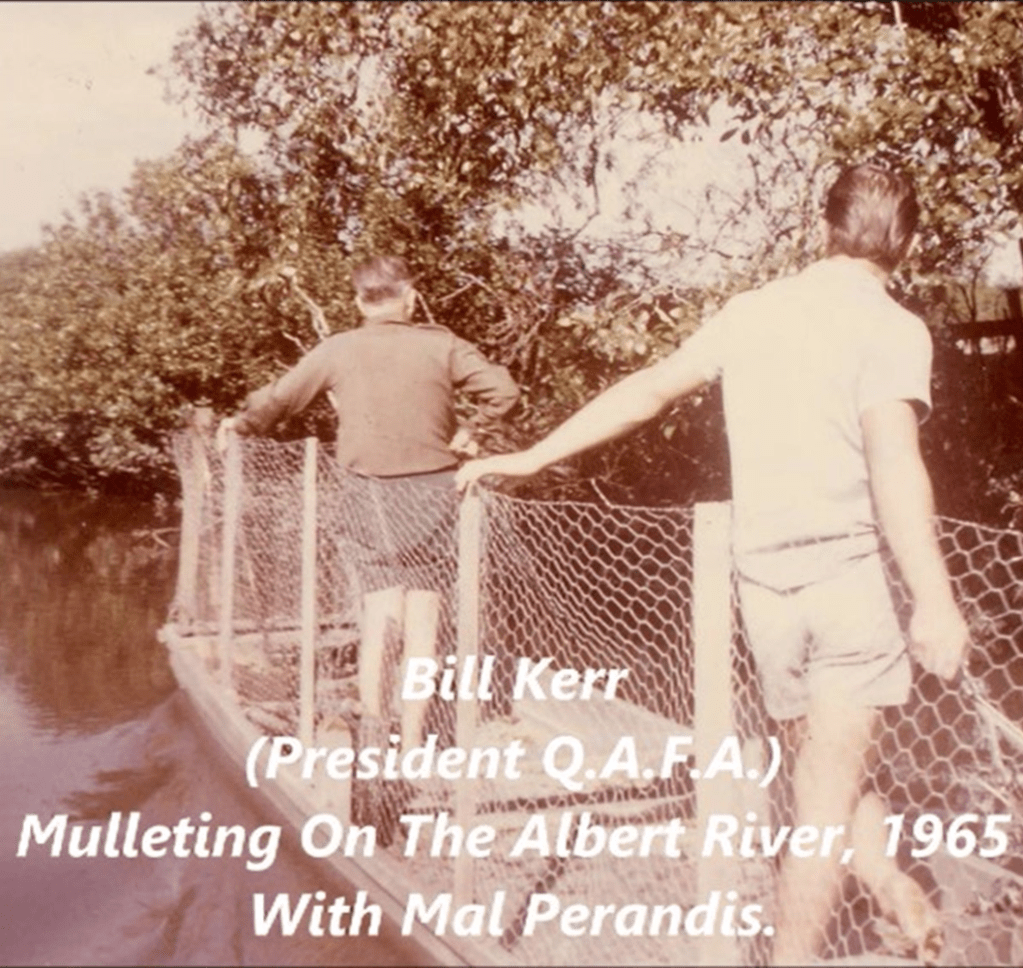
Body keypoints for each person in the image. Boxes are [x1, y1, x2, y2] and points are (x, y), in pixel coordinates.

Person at [455, 164, 969, 965]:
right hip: (846, 585)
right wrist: (935, 600)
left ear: (822, 227)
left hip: (762, 586)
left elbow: (647, 390)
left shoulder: (750, 313)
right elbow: (893, 462)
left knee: (822, 767)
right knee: (823, 796)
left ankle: (888, 886)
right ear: (904, 239)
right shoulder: (894, 327)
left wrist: (531, 455)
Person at [220, 255, 519, 746]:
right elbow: (503, 392)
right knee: (425, 623)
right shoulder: (442, 345)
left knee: (380, 616)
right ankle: (413, 742)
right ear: (411, 295)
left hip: (369, 495)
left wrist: (241, 422)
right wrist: (473, 429)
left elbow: (280, 399)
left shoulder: (338, 350)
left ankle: (376, 738)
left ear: (359, 301)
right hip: (433, 495)